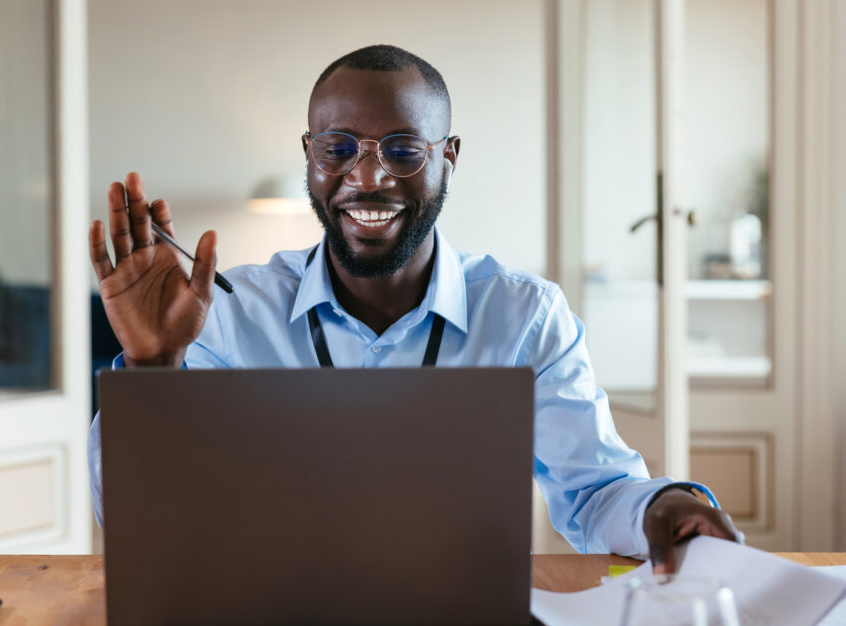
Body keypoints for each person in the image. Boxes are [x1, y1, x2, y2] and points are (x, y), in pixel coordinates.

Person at [87, 44, 740, 573]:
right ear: (310, 158)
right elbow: (135, 516)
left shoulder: (524, 315)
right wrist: (151, 369)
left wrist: (667, 505)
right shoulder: (225, 312)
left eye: (403, 149)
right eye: (338, 147)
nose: (368, 177)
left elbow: (597, 492)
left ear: (448, 158)